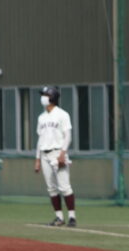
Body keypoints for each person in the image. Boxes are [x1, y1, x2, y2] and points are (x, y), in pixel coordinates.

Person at [34, 86, 77, 227]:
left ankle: (72, 217)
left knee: (64, 186)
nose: (43, 97)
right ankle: (59, 217)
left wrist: (62, 153)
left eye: (45, 94)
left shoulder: (62, 114)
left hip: (57, 152)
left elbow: (68, 136)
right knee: (51, 188)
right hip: (45, 154)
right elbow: (40, 139)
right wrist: (37, 159)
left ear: (52, 97)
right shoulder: (41, 117)